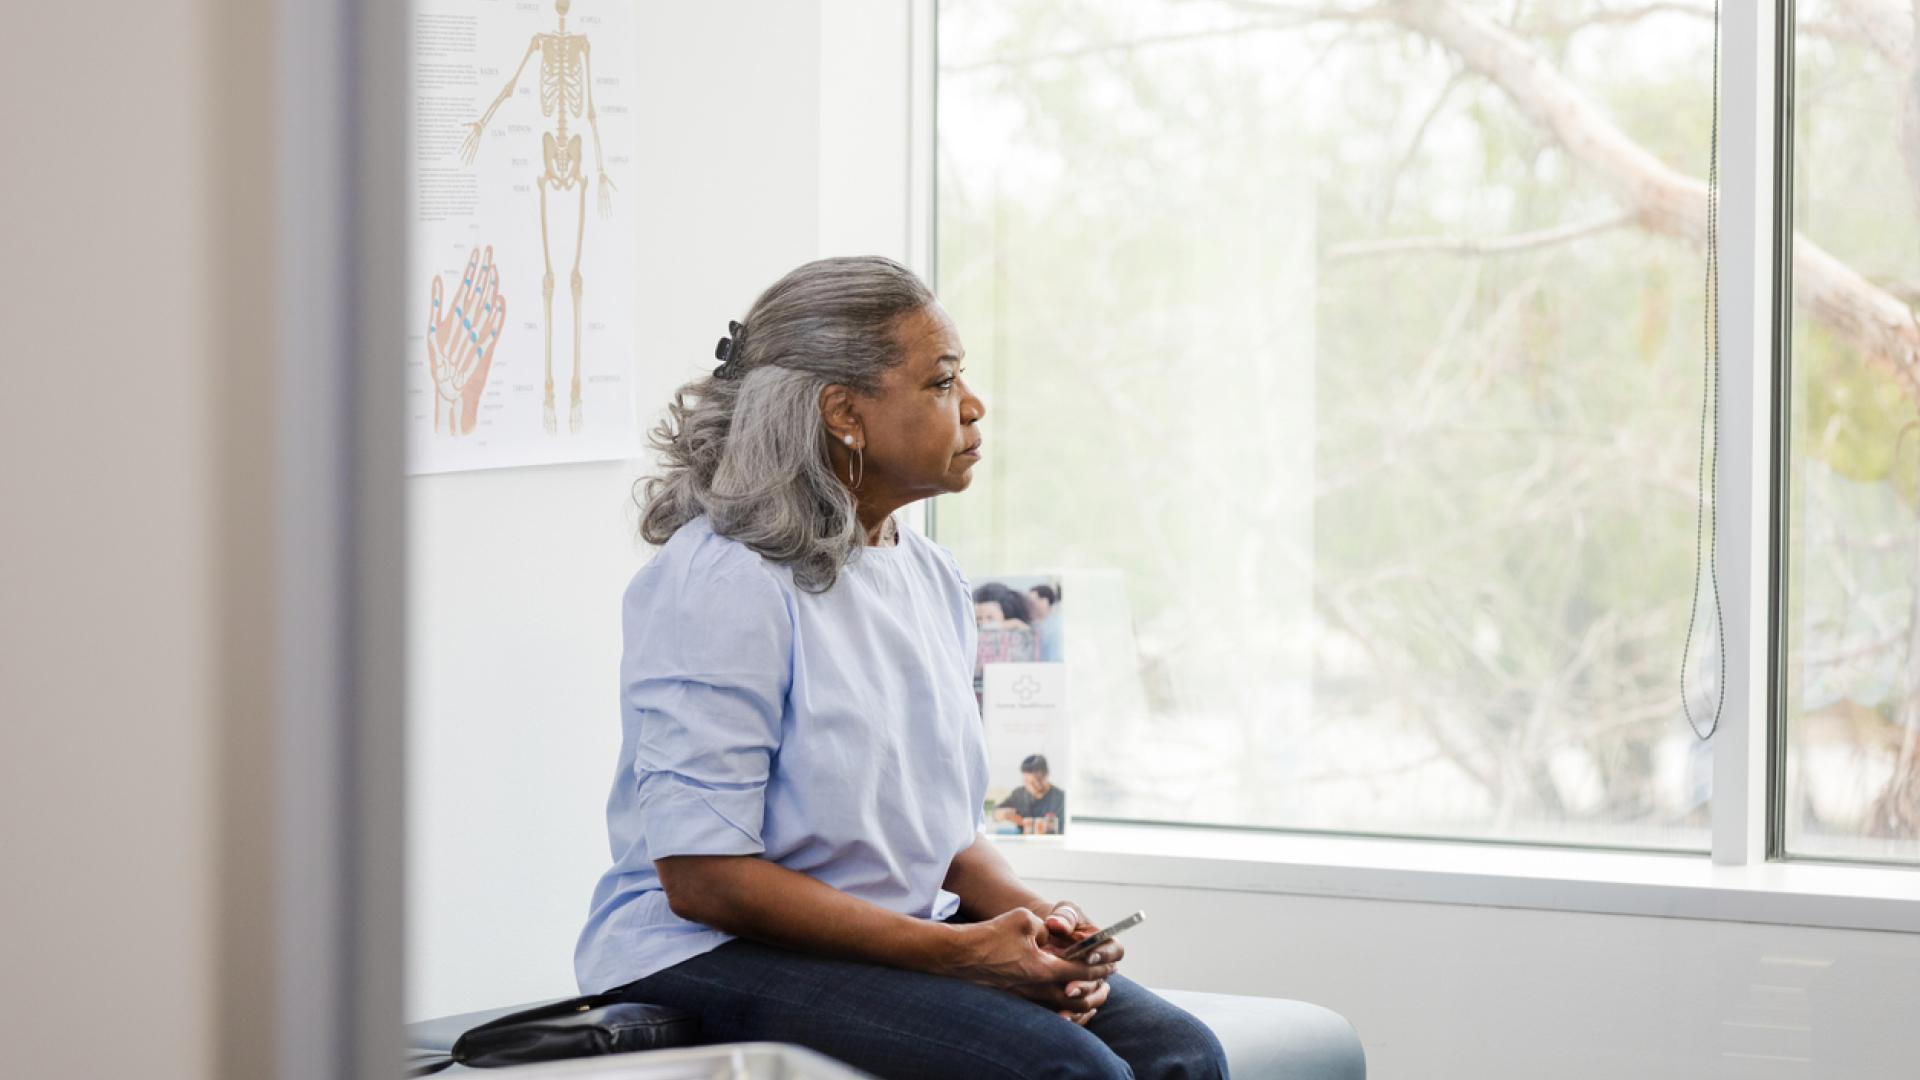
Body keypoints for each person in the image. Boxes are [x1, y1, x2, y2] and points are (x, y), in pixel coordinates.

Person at [573, 256, 1227, 1080]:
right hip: (707, 949)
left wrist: (1044, 924)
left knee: (1182, 1053)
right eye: (943, 381)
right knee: (1065, 1073)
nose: (975, 406)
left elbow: (944, 841)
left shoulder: (930, 575)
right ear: (844, 413)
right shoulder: (724, 584)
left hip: (882, 931)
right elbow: (704, 879)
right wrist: (960, 955)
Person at [994, 754, 1068, 834]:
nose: (1031, 787)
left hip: (1052, 844)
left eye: (1037, 781)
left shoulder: (1061, 799)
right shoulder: (1018, 795)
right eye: (1027, 782)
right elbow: (995, 813)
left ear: (1047, 774)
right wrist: (1003, 814)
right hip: (1023, 845)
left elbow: (1065, 830)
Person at [1026, 583, 1064, 662]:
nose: (1029, 606)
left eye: (1032, 602)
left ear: (1045, 602)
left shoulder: (1057, 626)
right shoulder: (1030, 624)